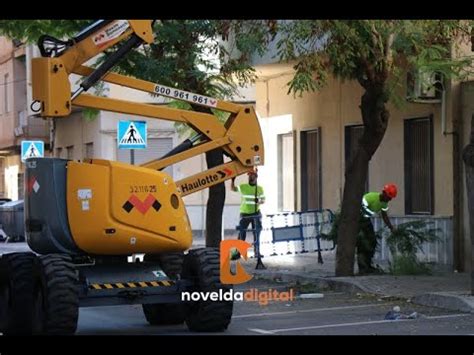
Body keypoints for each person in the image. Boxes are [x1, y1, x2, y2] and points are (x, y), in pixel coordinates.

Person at [358, 183, 397, 274]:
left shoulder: (384, 203)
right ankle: (362, 268)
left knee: (372, 242)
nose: (389, 200)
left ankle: (367, 265)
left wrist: (391, 227)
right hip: (358, 220)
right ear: (384, 193)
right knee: (362, 243)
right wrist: (369, 214)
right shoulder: (370, 197)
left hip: (366, 221)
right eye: (388, 197)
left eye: (390, 198)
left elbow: (384, 216)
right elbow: (360, 208)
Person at [231, 170, 265, 243]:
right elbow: (233, 189)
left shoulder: (259, 189)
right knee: (242, 233)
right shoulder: (244, 187)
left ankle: (257, 252)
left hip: (255, 214)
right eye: (249, 176)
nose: (250, 177)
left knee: (256, 233)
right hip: (245, 214)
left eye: (252, 175)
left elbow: (263, 200)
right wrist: (232, 181)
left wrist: (258, 201)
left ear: (256, 177)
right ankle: (238, 252)